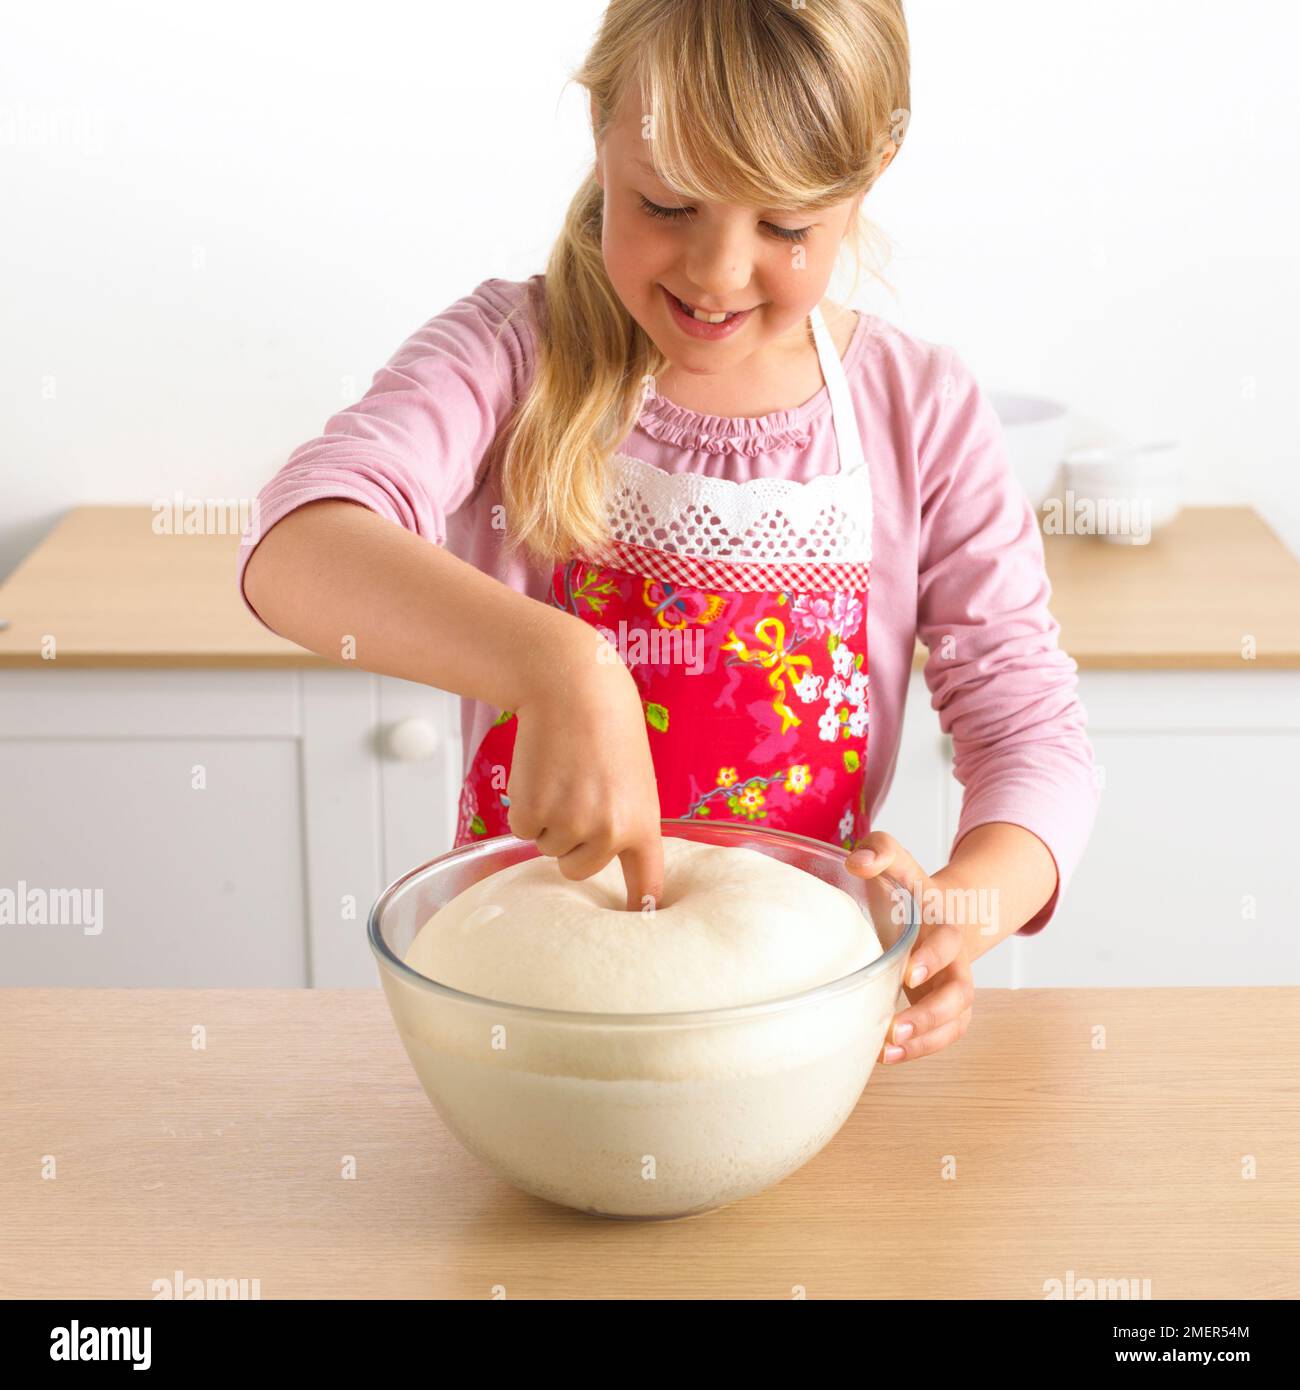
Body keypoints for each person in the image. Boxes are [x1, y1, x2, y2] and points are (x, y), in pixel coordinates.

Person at [238, 0, 1098, 1065]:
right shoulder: (510, 355)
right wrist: (564, 662)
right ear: (601, 125)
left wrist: (962, 909)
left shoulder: (916, 409)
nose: (717, 272)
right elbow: (297, 547)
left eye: (784, 227)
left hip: (786, 1027)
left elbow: (1030, 730)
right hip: (522, 1017)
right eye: (668, 202)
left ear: (870, 172)